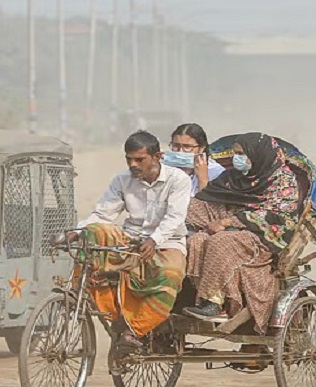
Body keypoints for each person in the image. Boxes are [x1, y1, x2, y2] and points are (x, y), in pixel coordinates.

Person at [69, 131, 192, 347]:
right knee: (94, 233)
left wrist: (154, 240)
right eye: (129, 159)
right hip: (131, 239)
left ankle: (134, 330)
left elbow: (175, 217)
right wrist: (78, 231)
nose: (133, 164)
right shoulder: (122, 180)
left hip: (168, 242)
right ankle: (85, 297)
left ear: (157, 157)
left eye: (139, 159)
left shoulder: (178, 180)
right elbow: (102, 214)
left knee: (171, 275)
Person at [182, 132, 301, 333]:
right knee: (197, 239)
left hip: (261, 237)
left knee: (221, 242)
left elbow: (277, 216)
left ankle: (215, 302)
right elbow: (209, 199)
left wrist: (230, 222)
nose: (237, 159)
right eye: (235, 153)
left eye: (242, 154)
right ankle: (197, 297)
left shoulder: (281, 181)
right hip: (227, 227)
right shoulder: (234, 178)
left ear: (257, 155)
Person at [162, 123, 226, 196]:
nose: (180, 151)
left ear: (201, 148)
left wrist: (202, 178)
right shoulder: (165, 167)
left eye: (187, 147)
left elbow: (209, 204)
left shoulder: (216, 172)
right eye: (176, 146)